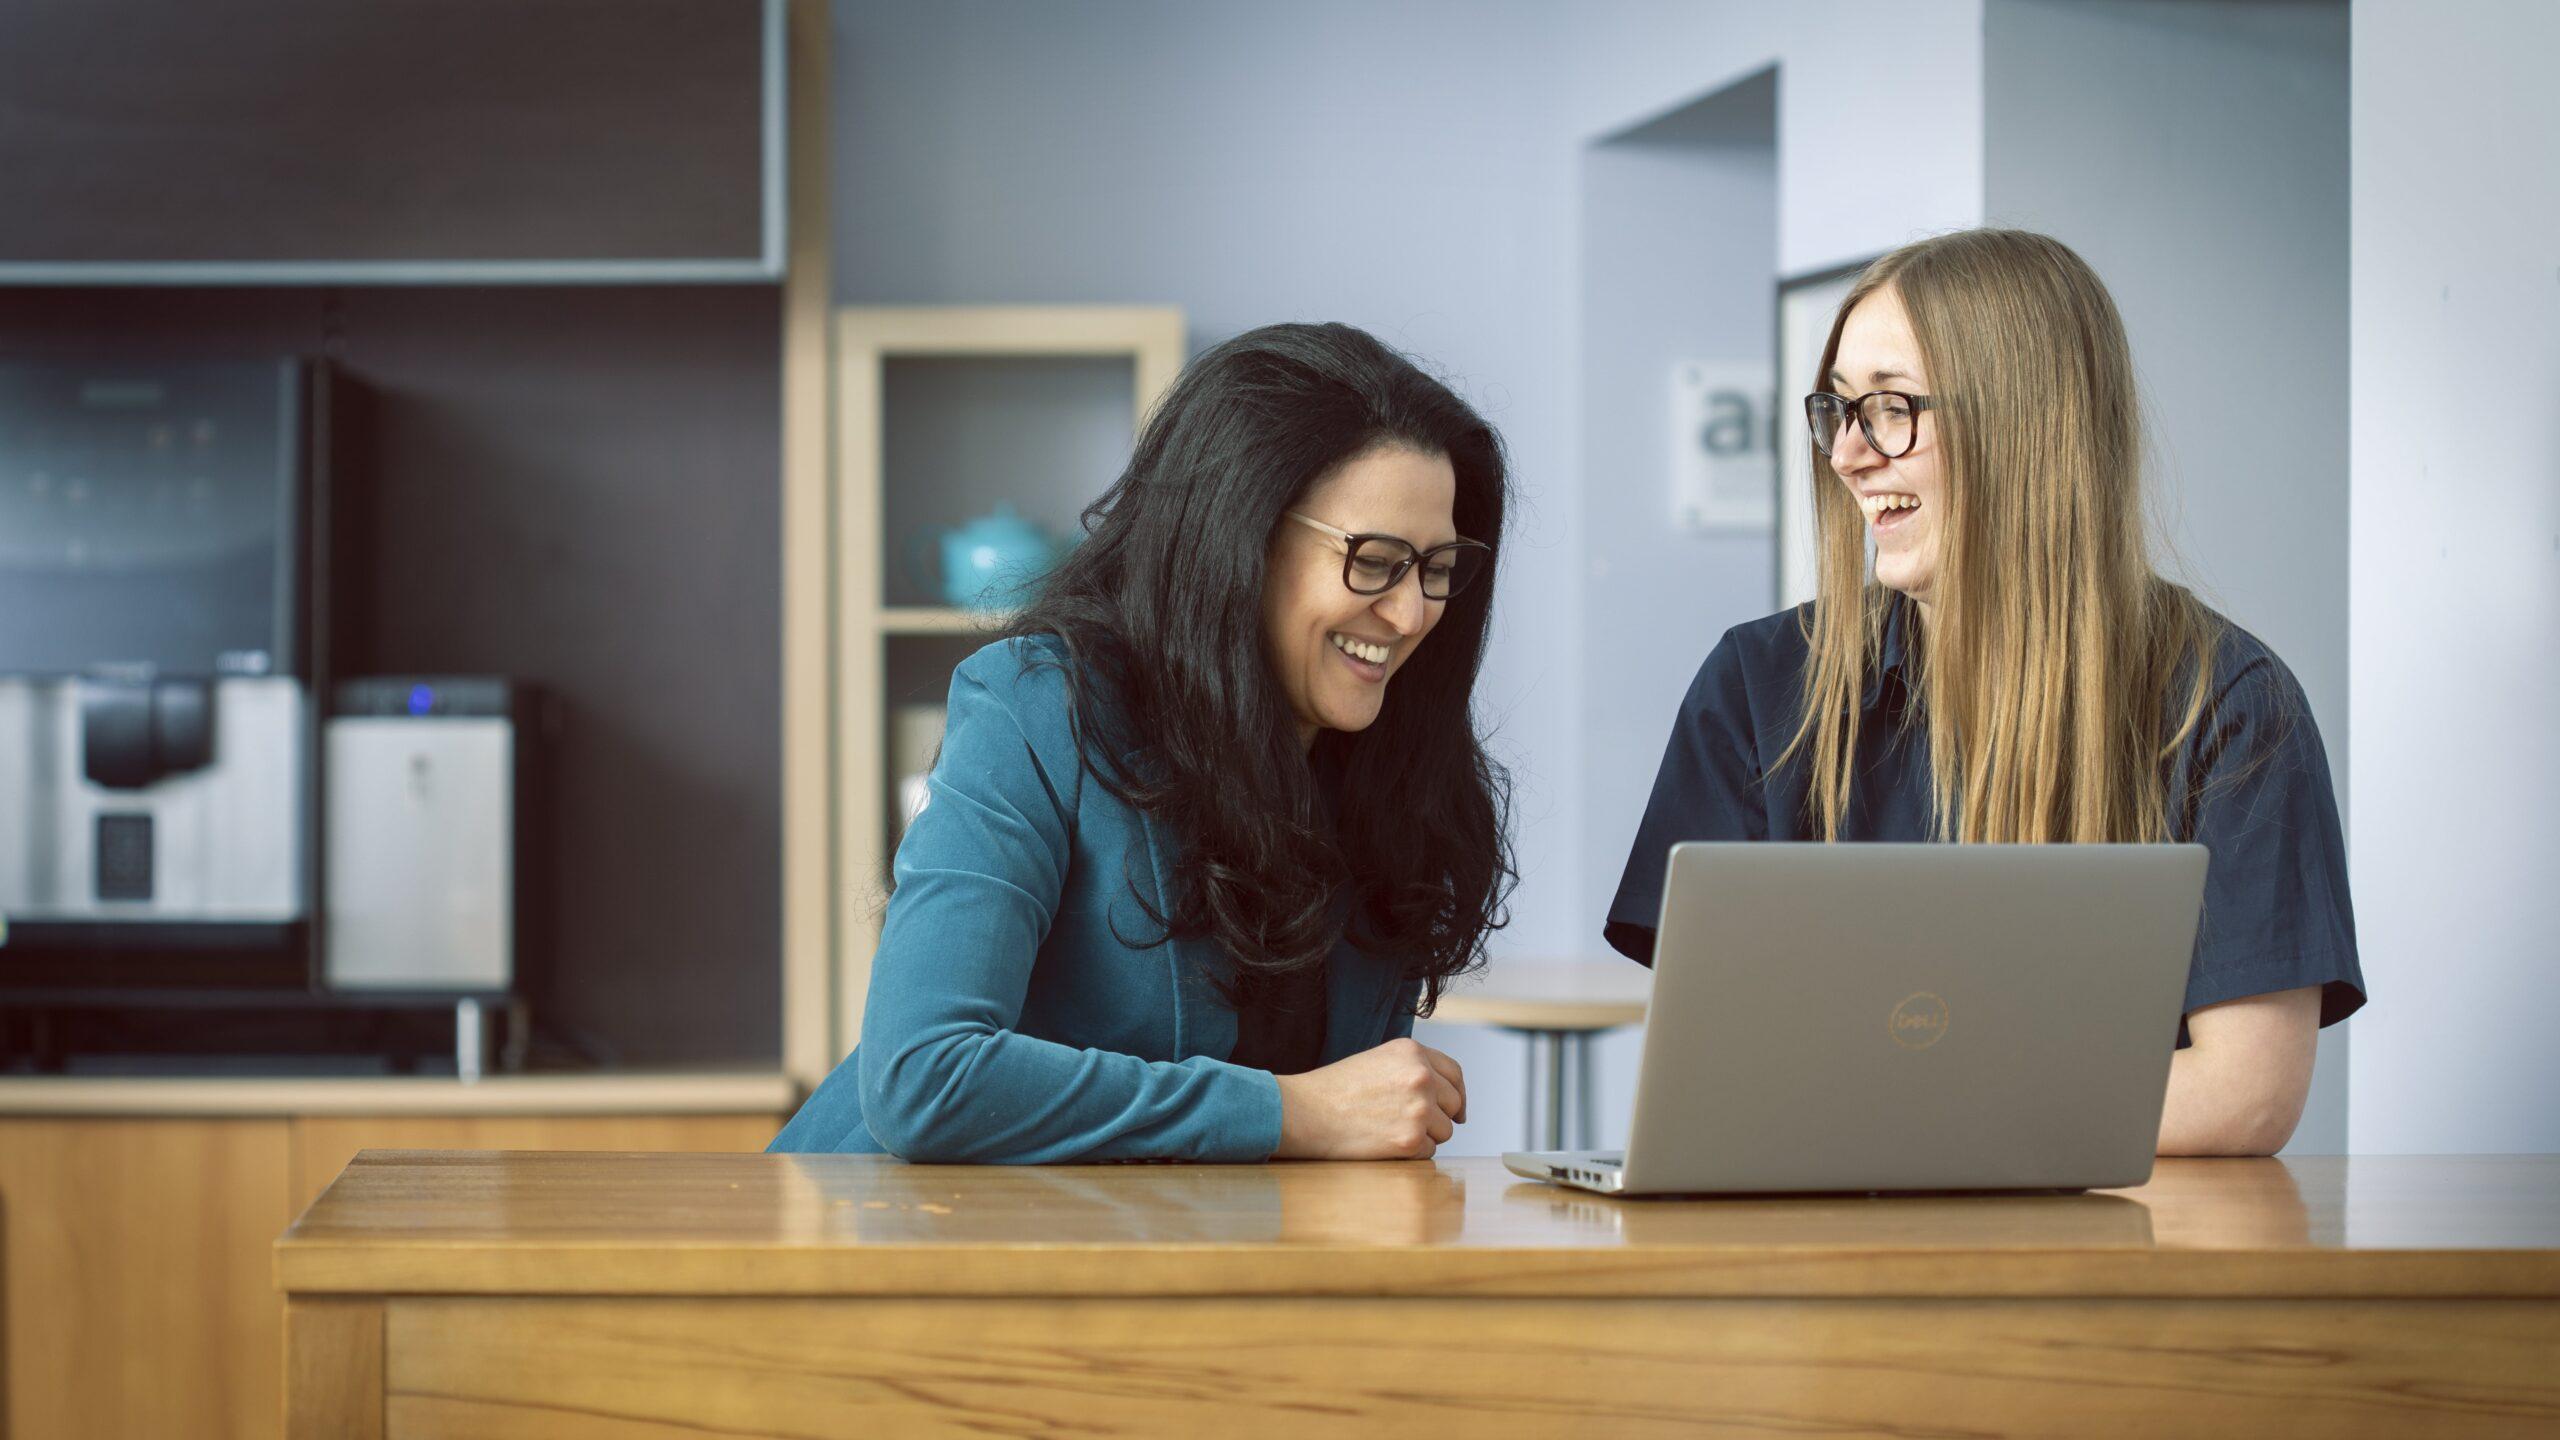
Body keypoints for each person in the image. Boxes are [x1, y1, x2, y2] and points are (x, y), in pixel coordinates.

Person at [1606, 229, 2364, 1157]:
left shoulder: (2232, 706)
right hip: (1816, 1265)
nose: (1847, 454)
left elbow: (2244, 1095)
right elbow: (1716, 1067)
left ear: (2025, 421)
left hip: (2109, 1272)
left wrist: (1887, 1105)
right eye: (1837, 411)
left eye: (1888, 409)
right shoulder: (1757, 688)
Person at [772, 322, 1513, 1163]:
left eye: (1438, 567)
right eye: (1375, 560)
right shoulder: (1039, 707)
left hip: (1157, 1268)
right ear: (1240, 537)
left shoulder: (1389, 779)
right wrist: (1287, 1112)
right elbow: (925, 1078)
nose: (1413, 613)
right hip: (884, 1262)